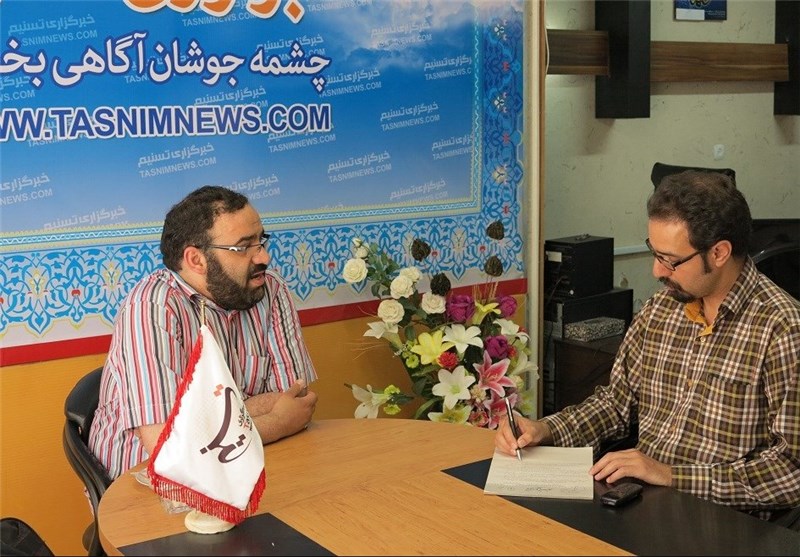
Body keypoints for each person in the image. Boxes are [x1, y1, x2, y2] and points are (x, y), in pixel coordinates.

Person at [497, 170, 800, 520]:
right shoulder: (661, 309)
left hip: (722, 522)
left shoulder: (782, 329)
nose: (657, 271)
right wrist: (546, 429)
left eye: (670, 260)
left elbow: (790, 471)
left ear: (719, 252)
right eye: (653, 253)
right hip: (642, 506)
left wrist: (671, 476)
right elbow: (616, 404)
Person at [89, 185, 318, 480]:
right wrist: (276, 421)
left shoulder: (269, 288)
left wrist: (205, 426)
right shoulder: (151, 307)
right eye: (243, 247)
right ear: (196, 260)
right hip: (150, 482)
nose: (263, 257)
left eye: (261, 241)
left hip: (249, 467)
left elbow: (297, 402)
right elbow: (169, 445)